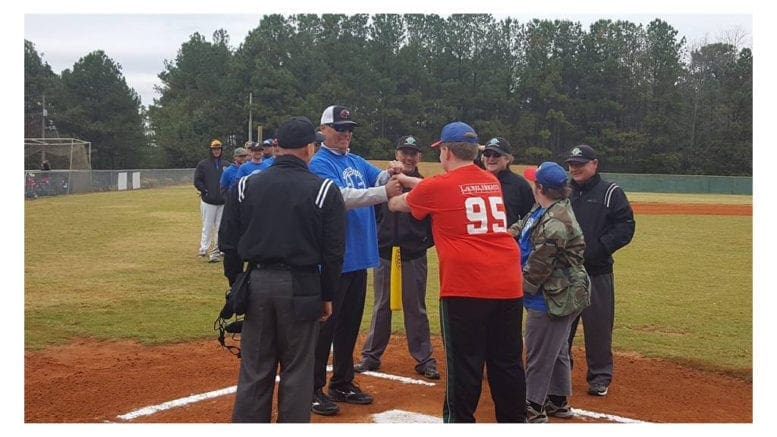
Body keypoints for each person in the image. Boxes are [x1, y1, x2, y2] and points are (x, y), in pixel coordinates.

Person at [389, 121, 526, 423]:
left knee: (464, 366)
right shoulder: (490, 180)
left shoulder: (440, 186)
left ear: (447, 151)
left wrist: (394, 186)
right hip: (507, 283)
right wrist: (407, 178)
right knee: (507, 363)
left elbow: (398, 204)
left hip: (466, 287)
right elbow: (443, 188)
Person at [221, 116, 346, 423]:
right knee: (297, 371)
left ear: (276, 146)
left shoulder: (244, 185)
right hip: (302, 286)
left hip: (257, 283)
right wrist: (327, 294)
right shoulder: (324, 189)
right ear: (309, 148)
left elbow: (228, 243)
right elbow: (333, 254)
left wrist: (238, 283)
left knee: (255, 369)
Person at [308, 104, 403, 416]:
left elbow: (374, 176)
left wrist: (390, 171)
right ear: (324, 131)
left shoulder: (352, 159)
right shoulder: (319, 164)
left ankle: (342, 381)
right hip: (335, 260)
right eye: (340, 129)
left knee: (348, 326)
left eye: (349, 129)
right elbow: (341, 198)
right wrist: (383, 192)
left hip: (360, 256)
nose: (346, 134)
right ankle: (311, 387)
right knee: (325, 328)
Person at [509, 162, 590, 423]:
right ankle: (557, 400)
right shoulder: (545, 208)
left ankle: (533, 406)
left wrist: (514, 291)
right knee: (556, 350)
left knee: (539, 352)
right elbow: (523, 226)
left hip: (552, 297)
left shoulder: (556, 222)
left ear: (540, 188)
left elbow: (538, 268)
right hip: (557, 293)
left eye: (535, 182)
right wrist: (499, 236)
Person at [354, 135, 439, 380]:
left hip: (413, 255)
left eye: (413, 153)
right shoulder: (385, 183)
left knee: (416, 308)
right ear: (396, 153)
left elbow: (434, 220)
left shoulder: (422, 184)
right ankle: (371, 356)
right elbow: (372, 213)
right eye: (404, 152)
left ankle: (424, 359)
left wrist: (423, 243)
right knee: (381, 306)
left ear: (420, 157)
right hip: (384, 254)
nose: (408, 157)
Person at [564, 144, 635, 397]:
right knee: (562, 327)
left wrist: (598, 249)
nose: (575, 168)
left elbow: (625, 227)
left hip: (597, 271)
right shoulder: (565, 191)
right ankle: (562, 374)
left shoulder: (610, 192)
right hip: (566, 273)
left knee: (599, 328)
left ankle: (600, 377)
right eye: (572, 164)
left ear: (594, 164)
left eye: (580, 164)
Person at [481, 137, 534, 225]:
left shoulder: (519, 185)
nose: (491, 158)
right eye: (487, 154)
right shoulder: (476, 181)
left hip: (509, 236)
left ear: (507, 158)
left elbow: (529, 218)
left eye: (496, 154)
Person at [194, 139, 227, 262]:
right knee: (207, 225)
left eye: (218, 149)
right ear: (211, 150)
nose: (217, 151)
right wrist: (205, 191)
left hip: (222, 201)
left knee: (220, 227)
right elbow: (197, 180)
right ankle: (204, 248)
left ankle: (218, 248)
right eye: (214, 149)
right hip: (208, 201)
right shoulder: (203, 164)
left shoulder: (226, 164)